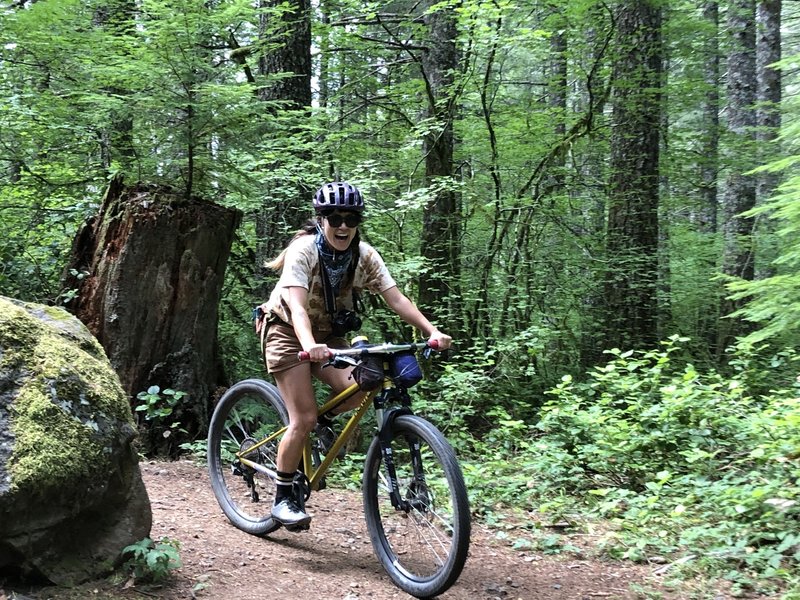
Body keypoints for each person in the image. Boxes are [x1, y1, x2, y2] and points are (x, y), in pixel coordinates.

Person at [258, 181, 452, 529]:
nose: (343, 224)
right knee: (302, 418)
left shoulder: (364, 256)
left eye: (351, 217)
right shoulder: (303, 251)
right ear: (321, 220)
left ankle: (323, 424)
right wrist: (307, 344)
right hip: (286, 332)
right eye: (334, 217)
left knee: (367, 382)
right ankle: (284, 496)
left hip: (329, 336)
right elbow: (298, 309)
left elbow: (397, 299)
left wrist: (432, 331)